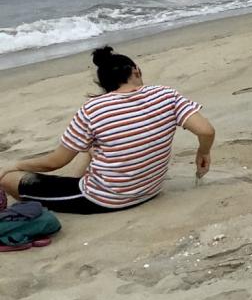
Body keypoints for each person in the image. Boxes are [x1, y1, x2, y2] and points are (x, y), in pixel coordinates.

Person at [0, 46, 215, 214]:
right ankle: (76, 181)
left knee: (8, 180)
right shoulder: (165, 94)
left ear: (104, 85)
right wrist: (203, 152)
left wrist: (15, 165)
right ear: (136, 70)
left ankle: (70, 189)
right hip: (151, 188)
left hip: (107, 199)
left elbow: (55, 162)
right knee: (91, 148)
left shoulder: (93, 109)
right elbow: (206, 131)